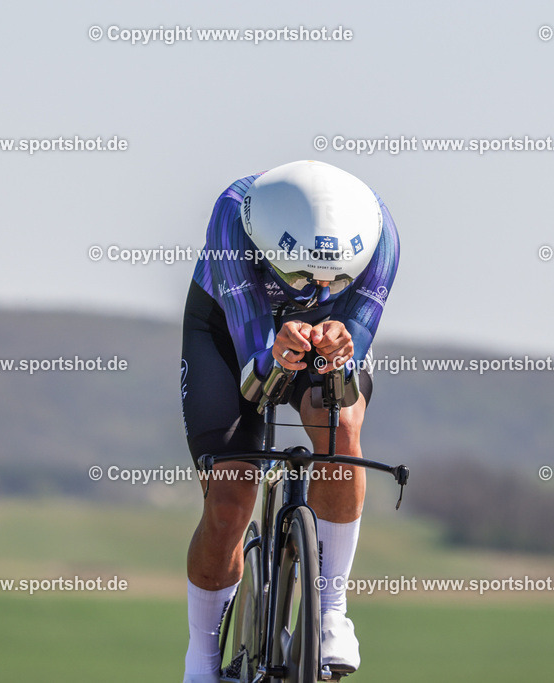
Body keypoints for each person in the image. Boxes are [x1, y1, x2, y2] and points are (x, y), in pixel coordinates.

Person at [180, 160, 400, 682]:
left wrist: (343, 348)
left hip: (324, 334)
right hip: (230, 330)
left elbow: (355, 339)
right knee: (230, 499)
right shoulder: (235, 216)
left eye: (336, 280)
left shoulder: (380, 236)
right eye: (302, 277)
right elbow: (254, 373)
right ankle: (202, 661)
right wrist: (274, 354)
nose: (319, 289)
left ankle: (331, 612)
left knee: (340, 426)